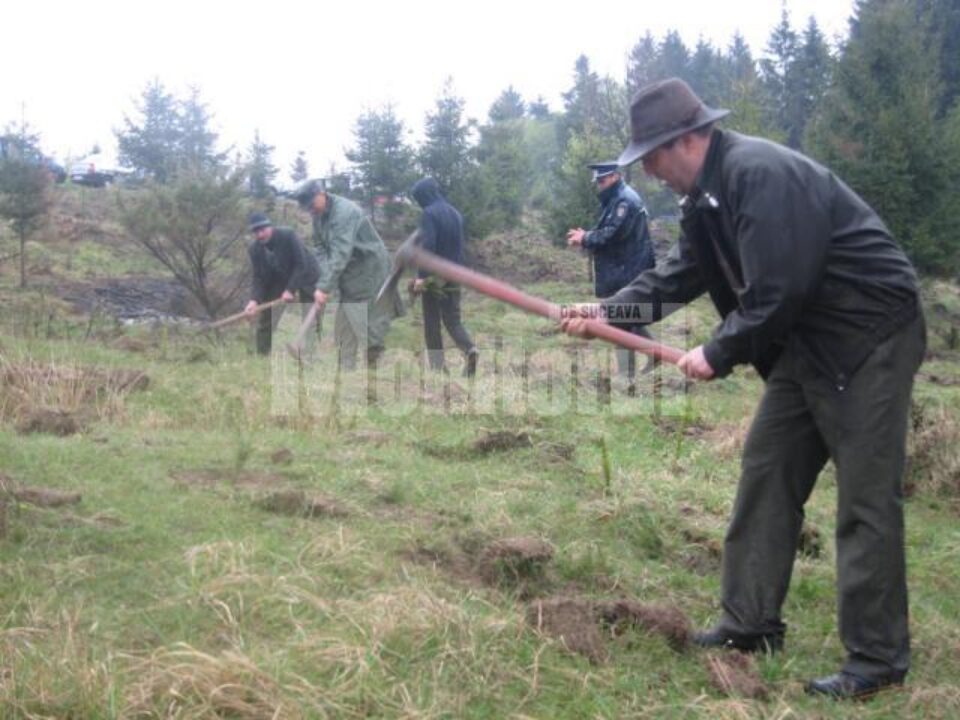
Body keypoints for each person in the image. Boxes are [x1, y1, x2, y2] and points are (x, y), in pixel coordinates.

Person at [561, 78, 925, 700]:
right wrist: (605, 313)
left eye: (650, 155)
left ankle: (877, 659)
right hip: (806, 345)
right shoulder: (703, 198)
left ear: (685, 140)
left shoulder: (759, 174)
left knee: (864, 498)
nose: (647, 169)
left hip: (869, 337)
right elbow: (680, 274)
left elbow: (781, 289)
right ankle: (749, 625)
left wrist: (718, 351)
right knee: (766, 474)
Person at [291, 179, 401, 370]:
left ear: (321, 194)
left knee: (368, 322)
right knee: (344, 325)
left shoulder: (344, 213)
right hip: (348, 272)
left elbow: (341, 253)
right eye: (307, 208)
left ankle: (373, 369)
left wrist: (324, 286)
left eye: (311, 205)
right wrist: (325, 281)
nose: (310, 210)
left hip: (369, 269)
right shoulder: (319, 215)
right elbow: (320, 248)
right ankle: (346, 371)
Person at [566, 161, 656, 381]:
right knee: (626, 318)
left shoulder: (624, 200)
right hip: (626, 267)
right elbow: (610, 229)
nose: (599, 184)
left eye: (603, 179)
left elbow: (612, 234)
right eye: (598, 181)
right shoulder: (618, 197)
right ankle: (656, 352)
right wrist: (587, 234)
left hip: (628, 269)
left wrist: (585, 238)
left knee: (619, 322)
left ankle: (627, 378)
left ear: (615, 176)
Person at [410, 177, 479, 377]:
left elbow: (428, 246)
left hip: (435, 277)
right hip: (455, 272)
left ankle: (438, 369)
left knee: (432, 321)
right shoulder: (455, 213)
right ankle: (470, 349)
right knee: (453, 319)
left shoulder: (428, 214)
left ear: (423, 196)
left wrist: (422, 277)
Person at [244, 212, 320, 355]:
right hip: (279, 278)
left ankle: (309, 352)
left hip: (306, 273)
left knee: (310, 310)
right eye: (256, 232)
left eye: (263, 230)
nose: (260, 235)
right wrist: (254, 300)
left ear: (270, 227)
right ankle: (262, 355)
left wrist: (290, 290)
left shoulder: (287, 235)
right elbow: (259, 277)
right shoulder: (255, 249)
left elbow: (301, 264)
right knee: (267, 316)